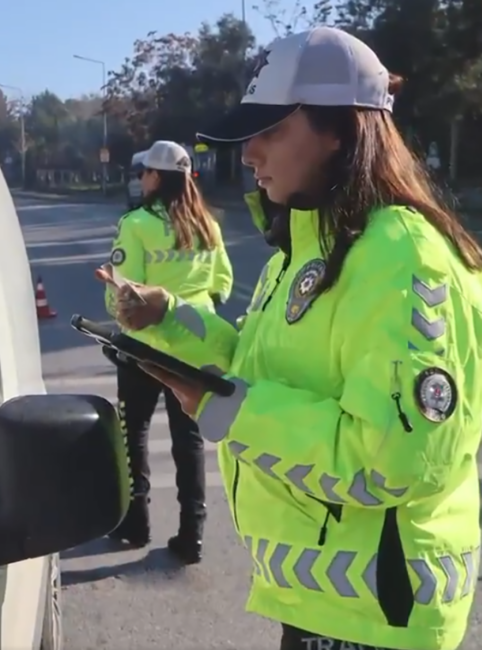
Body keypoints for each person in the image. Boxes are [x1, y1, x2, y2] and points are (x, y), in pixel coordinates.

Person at [112, 26, 482, 650]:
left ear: (339, 129)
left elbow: (393, 458)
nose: (250, 153)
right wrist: (169, 317)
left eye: (272, 131)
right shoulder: (311, 243)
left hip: (376, 618)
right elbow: (261, 367)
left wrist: (228, 409)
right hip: (331, 605)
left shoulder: (400, 256)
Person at [101, 139, 234, 564]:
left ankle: (136, 521)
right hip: (195, 348)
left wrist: (116, 311)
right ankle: (191, 533)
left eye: (144, 173)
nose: (140, 180)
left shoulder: (135, 223)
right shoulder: (207, 225)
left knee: (133, 432)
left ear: (157, 177)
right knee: (189, 440)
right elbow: (223, 284)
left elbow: (123, 295)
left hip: (145, 347)